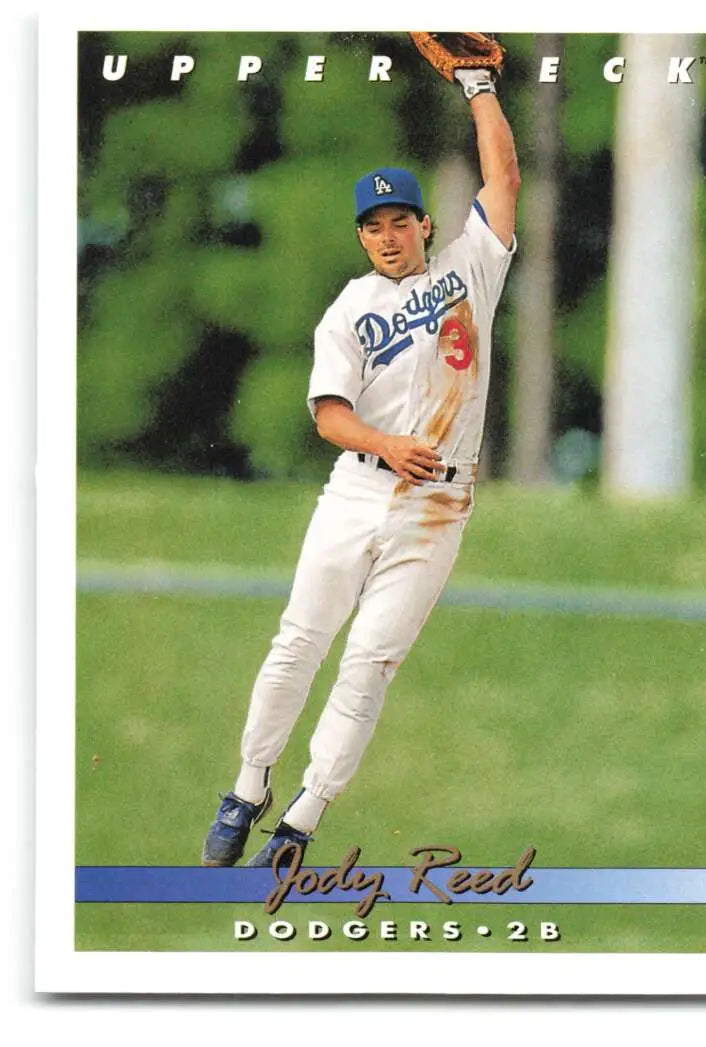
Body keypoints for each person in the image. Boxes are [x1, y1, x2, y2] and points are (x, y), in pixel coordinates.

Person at [201, 64, 520, 869]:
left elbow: (505, 174)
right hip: (357, 492)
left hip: (438, 509)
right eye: (372, 224)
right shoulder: (348, 310)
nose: (387, 234)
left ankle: (304, 812)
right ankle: (247, 785)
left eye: (399, 220)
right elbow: (330, 414)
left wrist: (480, 86)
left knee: (370, 661)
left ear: (424, 223)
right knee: (297, 642)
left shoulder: (470, 269)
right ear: (361, 236)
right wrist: (385, 445)